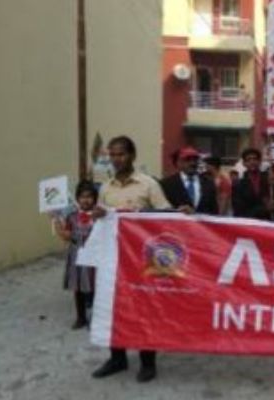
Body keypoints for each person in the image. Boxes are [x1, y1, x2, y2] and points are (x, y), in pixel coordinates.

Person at [91, 136, 174, 383]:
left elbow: (166, 216)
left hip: (142, 262)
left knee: (145, 309)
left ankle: (148, 362)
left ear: (132, 155)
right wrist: (97, 215)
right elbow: (101, 219)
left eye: (121, 154)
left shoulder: (148, 184)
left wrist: (182, 212)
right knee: (113, 307)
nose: (117, 159)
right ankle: (117, 358)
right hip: (113, 260)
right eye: (112, 155)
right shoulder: (106, 188)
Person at [54, 181, 98, 330]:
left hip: (94, 256)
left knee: (94, 286)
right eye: (82, 197)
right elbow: (66, 235)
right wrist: (57, 223)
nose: (86, 200)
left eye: (90, 196)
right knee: (77, 287)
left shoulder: (99, 216)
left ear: (95, 198)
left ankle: (96, 318)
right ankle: (81, 317)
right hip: (76, 256)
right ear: (77, 198)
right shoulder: (72, 216)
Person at [160, 147, 219, 215]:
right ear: (179, 163)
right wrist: (178, 211)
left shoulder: (208, 183)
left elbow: (214, 212)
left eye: (195, 160)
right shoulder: (167, 184)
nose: (192, 163)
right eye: (188, 160)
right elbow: (163, 210)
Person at [232, 148, 273, 220]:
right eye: (248, 160)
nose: (252, 162)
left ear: (260, 161)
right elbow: (238, 209)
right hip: (249, 222)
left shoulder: (269, 179)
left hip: (268, 222)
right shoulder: (238, 184)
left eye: (255, 159)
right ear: (244, 163)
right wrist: (263, 209)